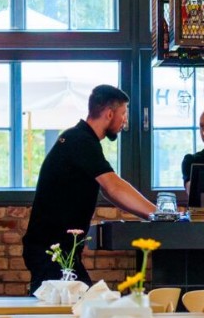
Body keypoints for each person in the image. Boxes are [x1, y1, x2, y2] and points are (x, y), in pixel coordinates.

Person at [20, 84, 157, 290]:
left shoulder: (78, 138)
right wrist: (159, 214)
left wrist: (151, 214)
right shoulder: (81, 141)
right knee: (76, 305)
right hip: (52, 251)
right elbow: (113, 186)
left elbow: (110, 191)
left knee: (80, 303)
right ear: (109, 114)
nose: (125, 121)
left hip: (53, 249)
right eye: (123, 114)